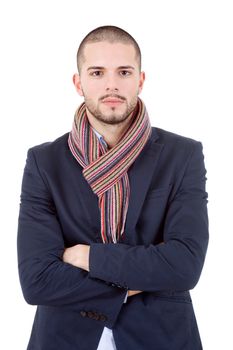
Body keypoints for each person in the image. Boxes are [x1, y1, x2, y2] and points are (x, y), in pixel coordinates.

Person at [17, 25, 209, 350]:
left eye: (123, 72)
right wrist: (130, 284)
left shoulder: (183, 155)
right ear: (79, 83)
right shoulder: (44, 162)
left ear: (141, 80)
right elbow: (37, 280)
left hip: (161, 337)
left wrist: (89, 256)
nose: (111, 85)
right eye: (97, 72)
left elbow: (185, 264)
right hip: (64, 337)